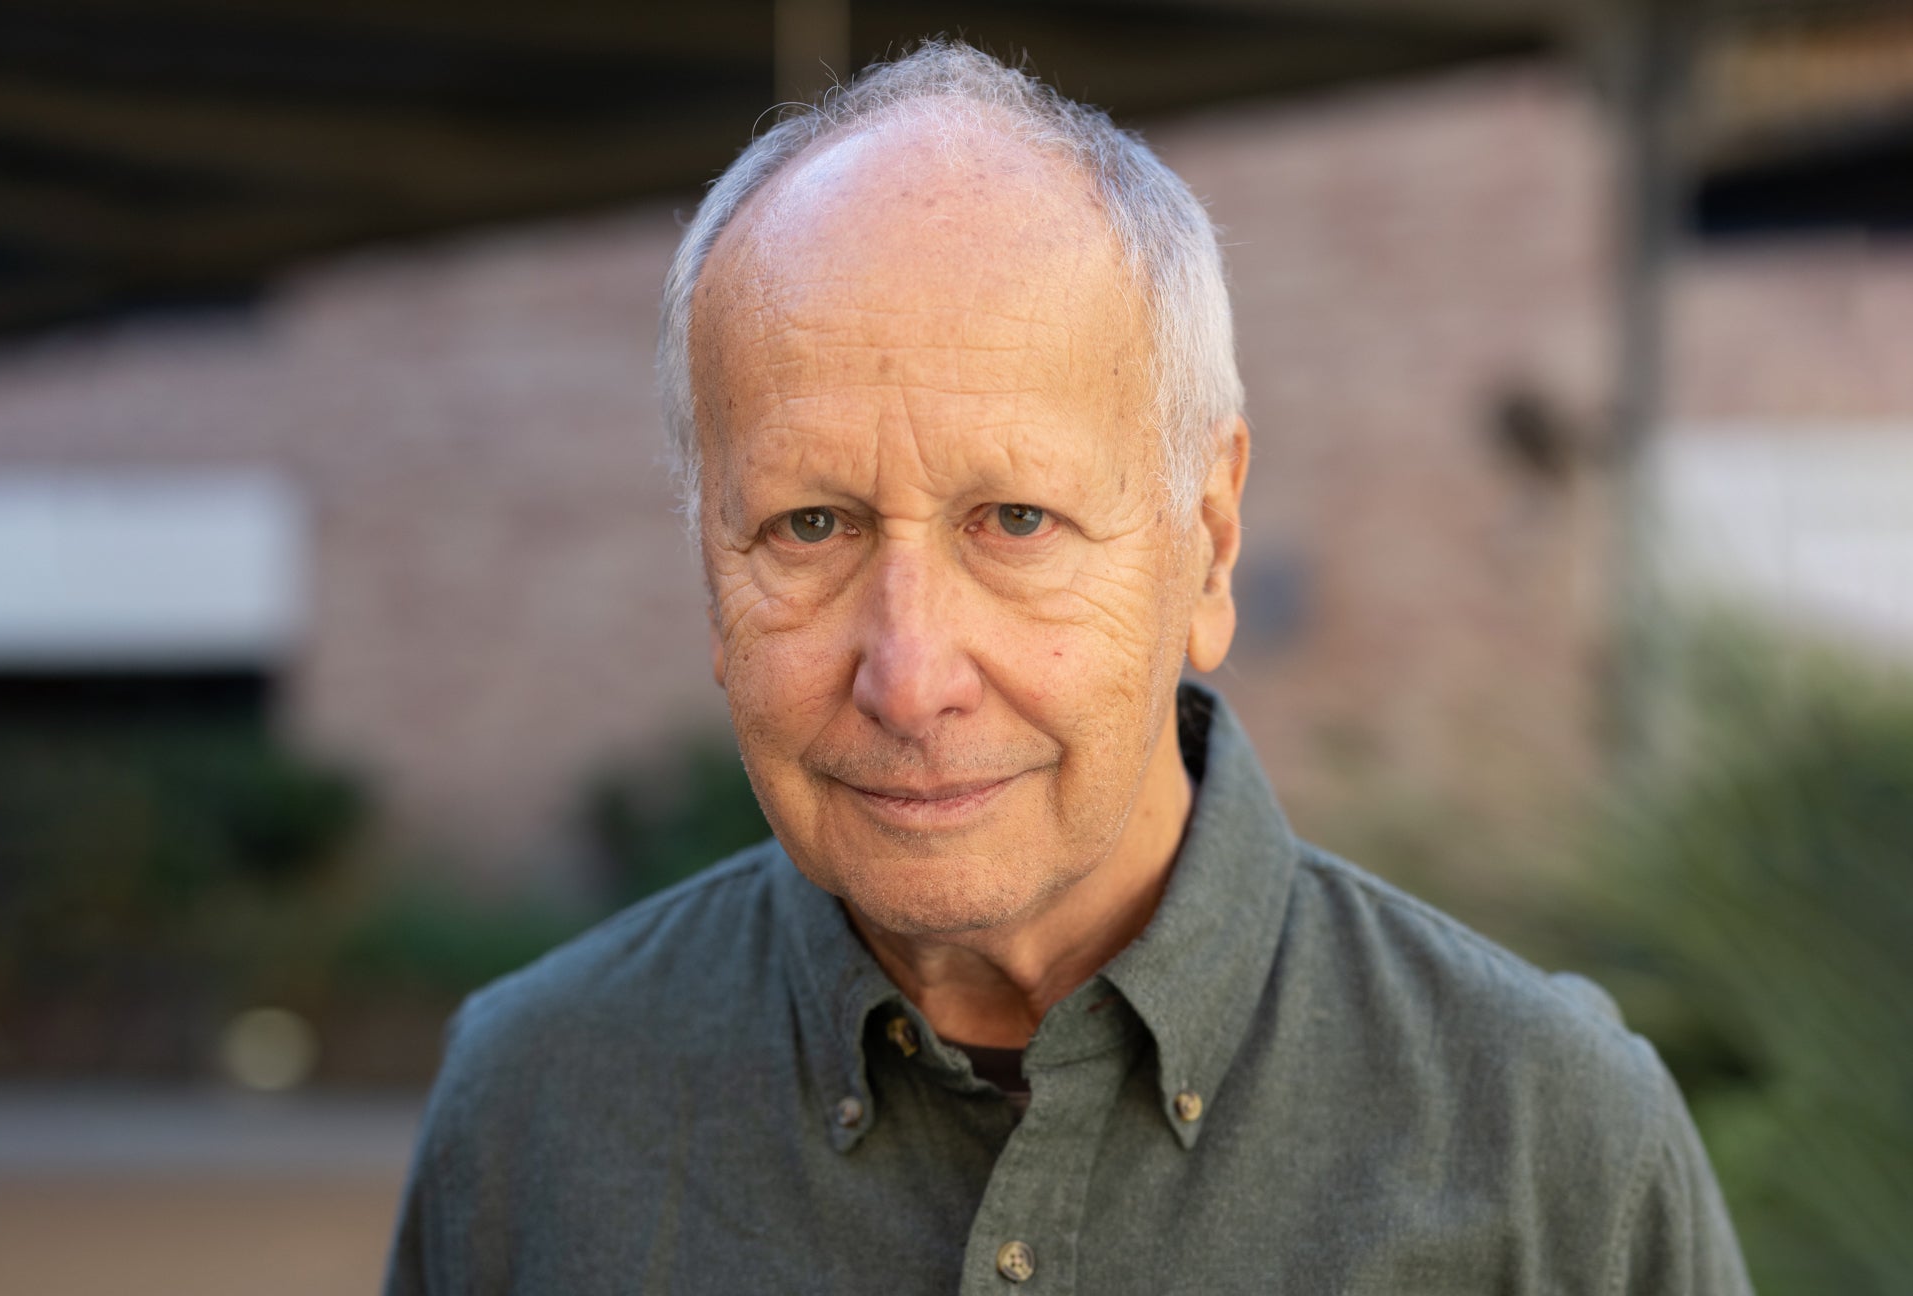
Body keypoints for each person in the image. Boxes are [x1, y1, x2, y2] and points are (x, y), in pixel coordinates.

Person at [386, 42, 1749, 1294]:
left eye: (1017, 522)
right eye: (811, 525)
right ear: (708, 562)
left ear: (1208, 546)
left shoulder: (1549, 1147)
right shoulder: (532, 1114)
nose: (911, 677)